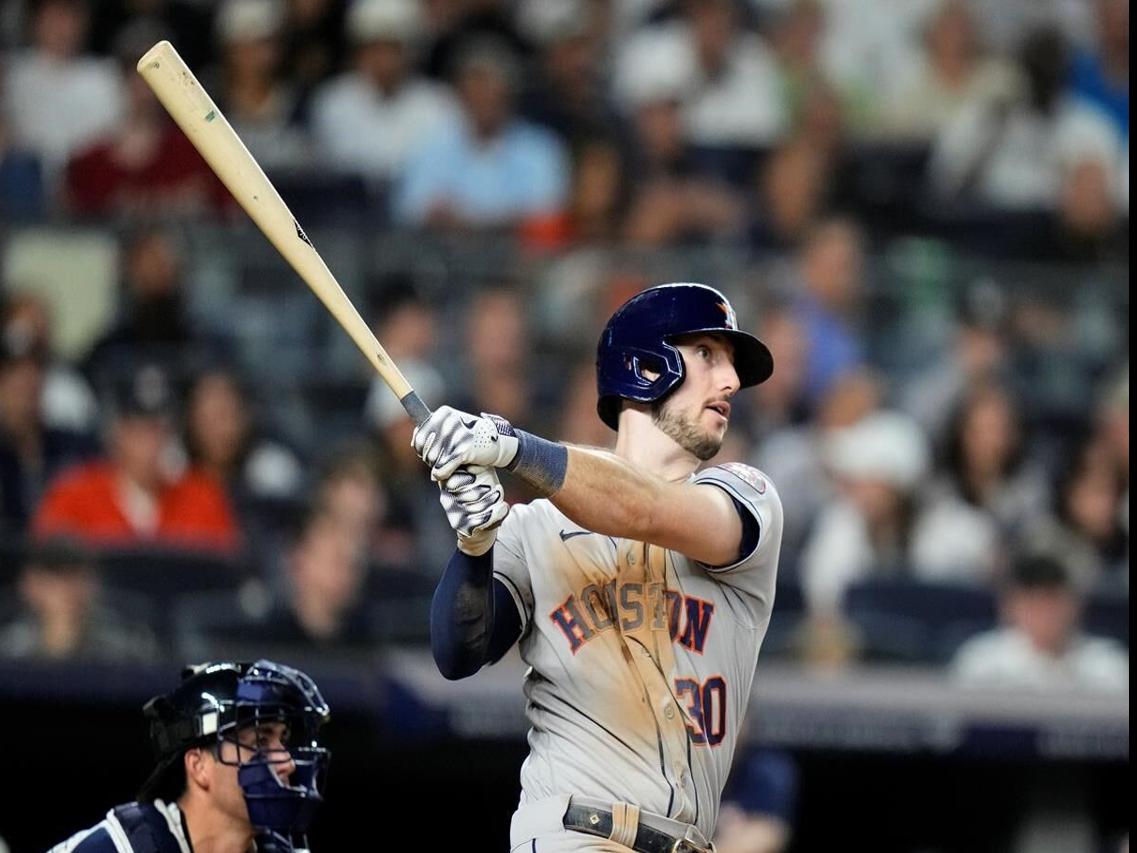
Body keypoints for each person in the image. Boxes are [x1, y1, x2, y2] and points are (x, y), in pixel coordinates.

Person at [413, 283, 784, 851]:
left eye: (730, 363)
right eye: (707, 355)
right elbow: (457, 653)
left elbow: (643, 506)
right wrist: (475, 542)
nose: (731, 380)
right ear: (643, 365)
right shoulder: (532, 526)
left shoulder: (746, 495)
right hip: (571, 832)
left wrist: (512, 447)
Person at [48, 659, 331, 853]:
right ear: (198, 766)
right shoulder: (122, 847)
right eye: (259, 740)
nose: (287, 762)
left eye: (282, 740)